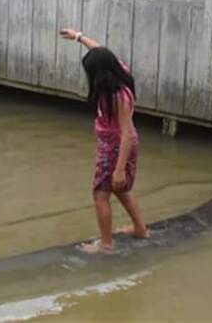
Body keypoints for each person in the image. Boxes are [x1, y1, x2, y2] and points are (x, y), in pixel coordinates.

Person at [59, 28, 149, 254]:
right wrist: (78, 37)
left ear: (99, 74)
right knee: (121, 190)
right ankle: (140, 229)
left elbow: (126, 133)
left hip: (117, 147)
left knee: (100, 194)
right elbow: (99, 50)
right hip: (115, 145)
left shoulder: (118, 96)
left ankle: (106, 245)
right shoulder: (118, 68)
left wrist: (119, 168)